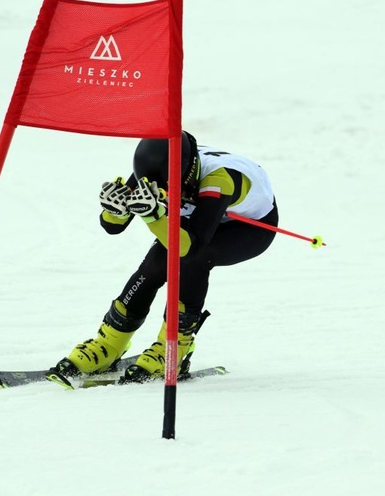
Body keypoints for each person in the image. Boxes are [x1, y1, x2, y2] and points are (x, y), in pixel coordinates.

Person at [50, 130, 278, 382]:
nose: (166, 194)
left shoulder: (220, 179)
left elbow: (191, 247)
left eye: (170, 190)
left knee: (194, 260)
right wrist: (112, 211)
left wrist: (152, 216)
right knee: (156, 264)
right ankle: (109, 343)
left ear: (187, 176)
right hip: (198, 216)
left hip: (249, 228)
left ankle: (175, 347)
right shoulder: (153, 170)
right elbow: (113, 226)